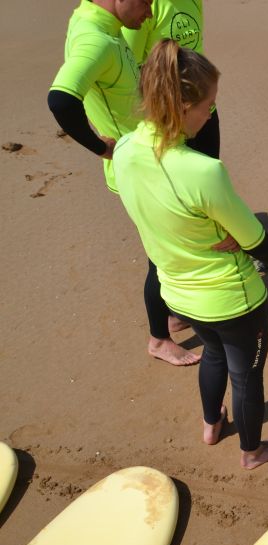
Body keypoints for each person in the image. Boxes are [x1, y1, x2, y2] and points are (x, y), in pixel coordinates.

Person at [112, 40, 268, 469]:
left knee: (214, 354)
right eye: (207, 105)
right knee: (246, 375)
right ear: (181, 106)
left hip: (176, 292)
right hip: (232, 300)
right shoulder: (203, 170)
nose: (210, 114)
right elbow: (257, 239)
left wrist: (208, 232)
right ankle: (253, 451)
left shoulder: (125, 150)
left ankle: (210, 424)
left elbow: (157, 212)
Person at [48, 0, 199, 366]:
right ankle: (159, 339)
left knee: (162, 249)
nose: (149, 13)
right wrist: (101, 148)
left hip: (145, 161)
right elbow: (60, 100)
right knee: (160, 257)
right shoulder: (96, 40)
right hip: (138, 171)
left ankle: (172, 315)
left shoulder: (90, 18)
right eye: (146, 3)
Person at [122, 0, 220, 158]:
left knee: (210, 170)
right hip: (170, 118)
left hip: (203, 110)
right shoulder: (144, 7)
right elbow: (130, 66)